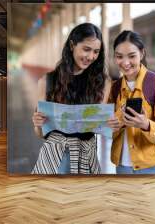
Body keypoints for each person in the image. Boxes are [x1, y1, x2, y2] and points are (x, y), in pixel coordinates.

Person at [31, 23, 112, 174]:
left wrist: (110, 123)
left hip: (86, 156)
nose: (91, 57)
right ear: (72, 45)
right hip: (54, 156)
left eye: (96, 52)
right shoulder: (46, 81)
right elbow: (40, 133)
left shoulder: (103, 83)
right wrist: (37, 123)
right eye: (86, 49)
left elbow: (99, 127)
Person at [108, 30, 155, 174]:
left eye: (132, 56)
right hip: (123, 166)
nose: (125, 63)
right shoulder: (115, 87)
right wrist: (113, 125)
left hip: (154, 166)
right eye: (119, 56)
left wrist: (145, 124)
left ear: (142, 53)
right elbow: (109, 129)